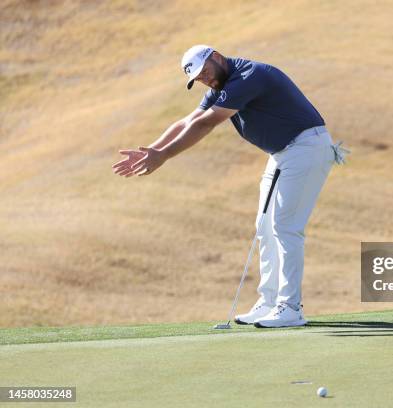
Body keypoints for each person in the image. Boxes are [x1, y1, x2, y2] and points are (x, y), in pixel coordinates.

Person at [112, 45, 349, 328]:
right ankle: (269, 302)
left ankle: (290, 307)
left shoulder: (249, 75)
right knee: (265, 227)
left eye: (205, 73)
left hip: (307, 147)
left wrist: (164, 156)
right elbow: (190, 120)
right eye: (198, 79)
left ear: (217, 57)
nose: (205, 80)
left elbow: (207, 124)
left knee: (285, 227)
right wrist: (153, 149)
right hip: (284, 153)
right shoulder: (221, 86)